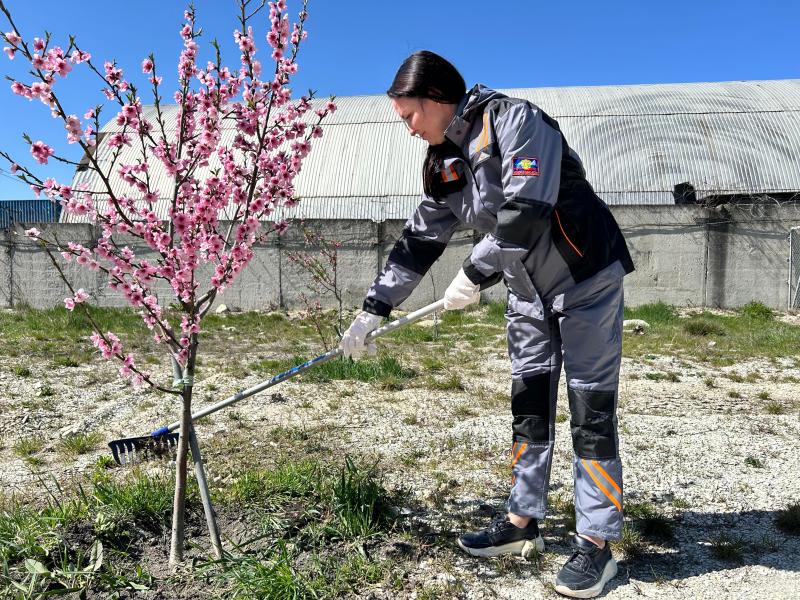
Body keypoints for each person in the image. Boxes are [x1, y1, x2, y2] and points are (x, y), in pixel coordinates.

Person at [339, 50, 634, 599]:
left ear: (434, 99)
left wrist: (473, 272)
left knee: (590, 408)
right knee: (529, 404)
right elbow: (418, 242)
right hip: (527, 293)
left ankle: (596, 543)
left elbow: (526, 210)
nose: (407, 129)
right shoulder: (444, 161)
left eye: (409, 117)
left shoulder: (517, 122)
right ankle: (523, 521)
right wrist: (372, 308)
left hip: (585, 278)